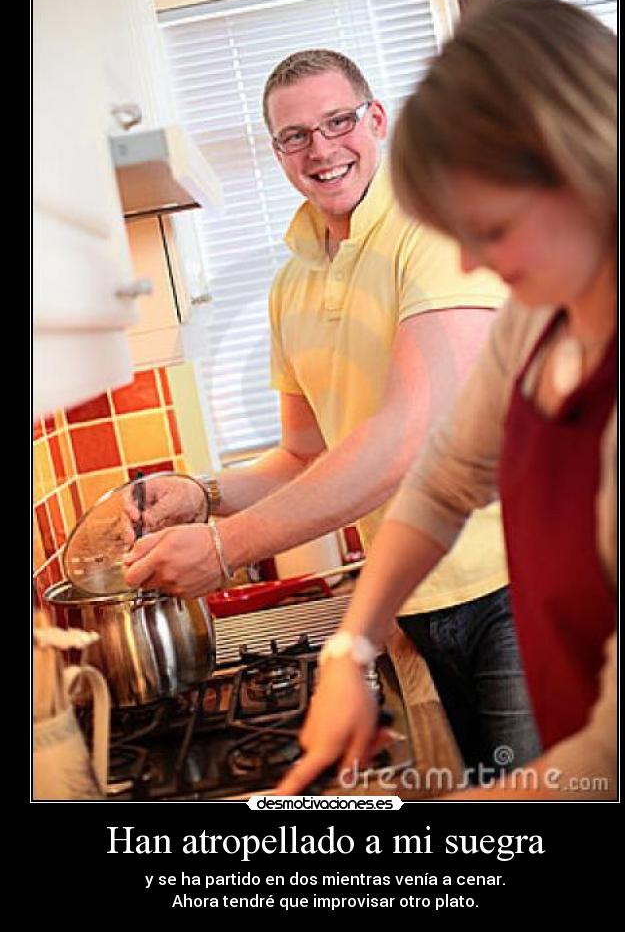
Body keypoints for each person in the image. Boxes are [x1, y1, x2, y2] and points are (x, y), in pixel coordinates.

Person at [123, 48, 540, 776]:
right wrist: (203, 492)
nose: (321, 149)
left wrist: (224, 548)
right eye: (294, 135)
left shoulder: (436, 227)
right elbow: (302, 453)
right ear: (278, 151)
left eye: (337, 120)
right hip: (418, 595)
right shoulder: (293, 282)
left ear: (375, 120)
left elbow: (412, 433)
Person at [275, 0, 617, 800]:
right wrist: (348, 648)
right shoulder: (535, 325)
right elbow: (442, 480)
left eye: (490, 225)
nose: (465, 257)